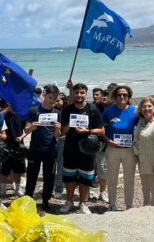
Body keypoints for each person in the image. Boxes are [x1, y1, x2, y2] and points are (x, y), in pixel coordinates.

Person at [60, 83, 104, 214]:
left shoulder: (93, 109)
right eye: (77, 92)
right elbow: (62, 131)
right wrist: (69, 125)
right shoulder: (67, 109)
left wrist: (88, 130)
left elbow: (101, 131)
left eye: (82, 93)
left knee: (86, 177)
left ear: (86, 93)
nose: (79, 95)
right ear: (73, 93)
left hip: (88, 150)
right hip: (70, 148)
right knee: (69, 177)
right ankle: (69, 201)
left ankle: (83, 203)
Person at [24, 85, 62, 211]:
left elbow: (57, 135)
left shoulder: (57, 113)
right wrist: (32, 127)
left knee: (49, 177)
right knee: (32, 175)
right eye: (50, 97)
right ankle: (28, 199)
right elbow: (26, 129)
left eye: (55, 99)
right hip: (35, 148)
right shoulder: (34, 110)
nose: (52, 100)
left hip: (50, 149)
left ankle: (45, 201)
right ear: (44, 94)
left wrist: (57, 129)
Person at [102, 85, 139, 211]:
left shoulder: (135, 111)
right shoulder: (108, 111)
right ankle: (112, 204)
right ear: (115, 97)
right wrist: (108, 141)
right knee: (112, 178)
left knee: (129, 179)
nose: (122, 97)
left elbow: (140, 128)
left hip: (129, 150)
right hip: (112, 149)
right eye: (119, 95)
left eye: (125, 95)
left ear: (128, 97)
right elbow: (102, 130)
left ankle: (129, 205)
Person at [0, 101, 27, 197]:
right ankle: (2, 189)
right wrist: (8, 108)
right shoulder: (3, 115)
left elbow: (26, 129)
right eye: (11, 105)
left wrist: (22, 137)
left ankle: (18, 189)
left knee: (18, 169)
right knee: (5, 169)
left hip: (18, 145)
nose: (13, 107)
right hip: (6, 145)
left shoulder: (21, 115)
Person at [93, 87, 109, 203]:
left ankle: (102, 192)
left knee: (103, 169)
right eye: (102, 95)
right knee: (89, 169)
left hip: (106, 144)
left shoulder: (113, 109)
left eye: (106, 96)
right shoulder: (93, 108)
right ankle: (87, 191)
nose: (104, 97)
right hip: (93, 143)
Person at [53, 92, 68, 199]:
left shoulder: (67, 111)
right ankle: (53, 187)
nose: (56, 102)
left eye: (58, 100)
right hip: (52, 140)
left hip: (63, 140)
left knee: (60, 165)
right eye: (55, 100)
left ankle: (59, 188)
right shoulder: (51, 111)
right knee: (52, 165)